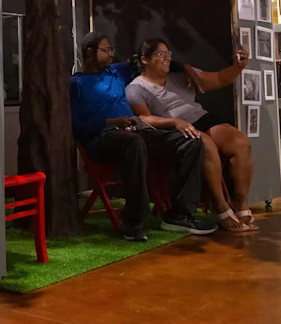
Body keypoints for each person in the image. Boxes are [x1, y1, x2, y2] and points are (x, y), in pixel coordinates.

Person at [69, 32, 216, 242]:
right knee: (134, 142)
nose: (112, 54)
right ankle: (134, 220)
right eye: (106, 49)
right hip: (102, 138)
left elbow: (154, 61)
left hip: (135, 132)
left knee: (190, 140)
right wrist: (112, 122)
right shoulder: (75, 84)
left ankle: (179, 214)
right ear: (90, 52)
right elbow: (77, 128)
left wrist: (185, 67)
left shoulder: (117, 72)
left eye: (112, 49)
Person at [126, 39, 256, 232]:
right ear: (145, 59)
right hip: (174, 128)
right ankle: (220, 205)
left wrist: (238, 67)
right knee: (207, 145)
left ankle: (240, 202)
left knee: (240, 142)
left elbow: (219, 78)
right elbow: (144, 118)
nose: (167, 58)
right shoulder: (136, 88)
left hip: (201, 118)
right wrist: (174, 123)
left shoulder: (181, 75)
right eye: (160, 54)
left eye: (168, 53)